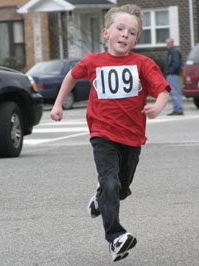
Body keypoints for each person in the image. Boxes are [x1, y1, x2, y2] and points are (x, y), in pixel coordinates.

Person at [50, 4, 170, 262]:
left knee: (121, 189)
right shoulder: (93, 61)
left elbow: (163, 90)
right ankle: (115, 238)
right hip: (102, 134)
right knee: (110, 182)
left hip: (132, 137)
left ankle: (99, 197)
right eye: (120, 28)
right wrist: (58, 104)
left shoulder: (143, 63)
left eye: (131, 32)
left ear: (136, 40)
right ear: (106, 33)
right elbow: (71, 77)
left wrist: (158, 106)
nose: (125, 35)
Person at [165, 37, 183, 115]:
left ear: (172, 43)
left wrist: (170, 71)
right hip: (170, 74)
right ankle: (176, 109)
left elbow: (176, 64)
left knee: (175, 92)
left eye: (169, 43)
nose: (168, 45)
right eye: (167, 43)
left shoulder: (174, 52)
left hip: (173, 75)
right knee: (172, 92)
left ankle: (179, 109)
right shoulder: (170, 52)